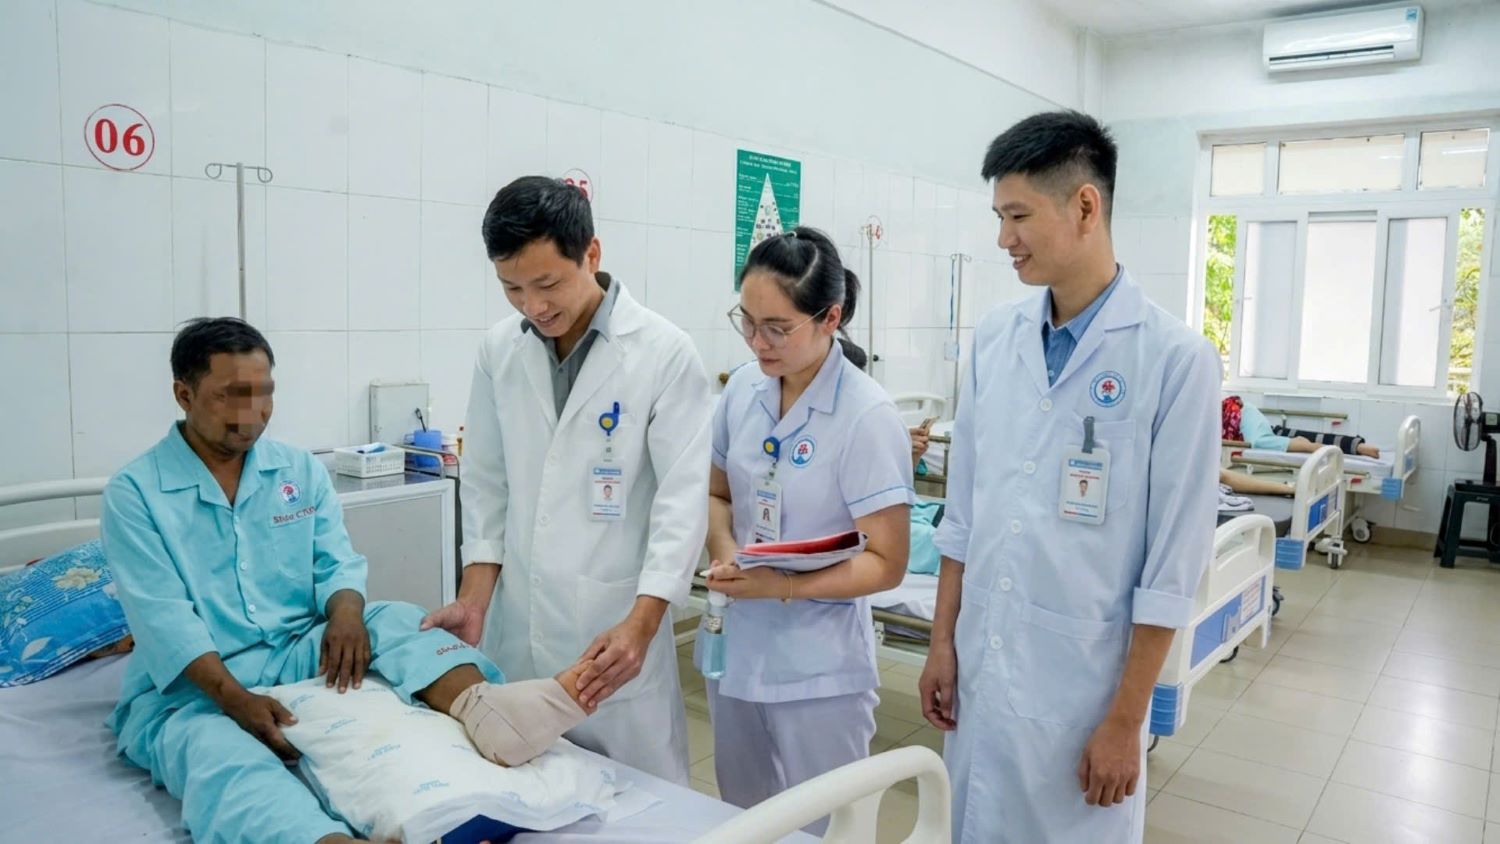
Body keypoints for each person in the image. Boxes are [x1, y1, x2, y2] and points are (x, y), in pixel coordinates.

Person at [103, 318, 596, 844]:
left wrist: (345, 615)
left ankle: (487, 711)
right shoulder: (136, 494)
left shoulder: (297, 469)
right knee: (214, 753)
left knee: (397, 619)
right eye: (231, 395)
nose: (253, 413)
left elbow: (336, 561)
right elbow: (164, 618)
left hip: (298, 648)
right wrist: (235, 699)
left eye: (264, 393)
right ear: (184, 394)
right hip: (195, 686)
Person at [917, 111, 1220, 843]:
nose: (1004, 238)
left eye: (1018, 216)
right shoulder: (997, 339)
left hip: (1085, 685)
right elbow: (963, 513)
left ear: (1085, 206)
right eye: (999, 217)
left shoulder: (1174, 360)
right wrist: (942, 641)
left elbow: (1172, 564)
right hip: (982, 661)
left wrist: (1126, 720)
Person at [421, 176, 712, 784]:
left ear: (591, 255)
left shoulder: (664, 352)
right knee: (522, 796)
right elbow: (486, 484)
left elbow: (682, 504)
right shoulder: (499, 351)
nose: (533, 306)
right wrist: (474, 600)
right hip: (517, 626)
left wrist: (641, 626)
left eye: (547, 284)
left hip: (615, 631)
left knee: (638, 804)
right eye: (512, 288)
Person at [702, 227, 914, 827]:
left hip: (819, 669)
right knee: (745, 818)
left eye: (777, 327)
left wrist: (785, 586)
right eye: (747, 322)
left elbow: (887, 562)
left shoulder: (867, 415)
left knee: (827, 827)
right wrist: (726, 551)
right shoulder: (743, 389)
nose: (757, 342)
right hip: (736, 646)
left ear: (830, 318)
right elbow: (716, 493)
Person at [1224, 395, 1380, 458]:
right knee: (1309, 436)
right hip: (1248, 423)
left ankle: (1309, 447)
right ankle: (1358, 446)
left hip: (1242, 417)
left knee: (1259, 442)